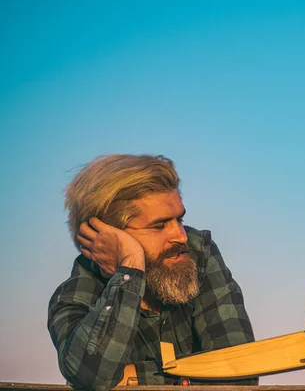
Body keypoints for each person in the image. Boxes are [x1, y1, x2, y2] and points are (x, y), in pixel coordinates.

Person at [48, 154, 255, 390]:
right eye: (159, 226)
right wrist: (131, 266)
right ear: (109, 235)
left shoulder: (199, 254)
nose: (181, 236)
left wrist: (135, 377)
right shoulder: (73, 299)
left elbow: (241, 373)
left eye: (180, 219)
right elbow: (91, 380)